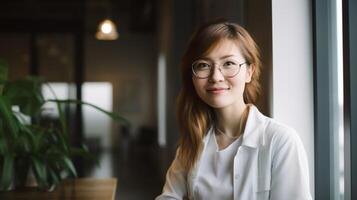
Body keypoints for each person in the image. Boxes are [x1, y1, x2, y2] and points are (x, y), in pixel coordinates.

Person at [156, 21, 312, 200]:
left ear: (249, 72)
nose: (215, 76)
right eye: (203, 65)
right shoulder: (192, 142)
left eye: (228, 63)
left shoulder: (281, 141)